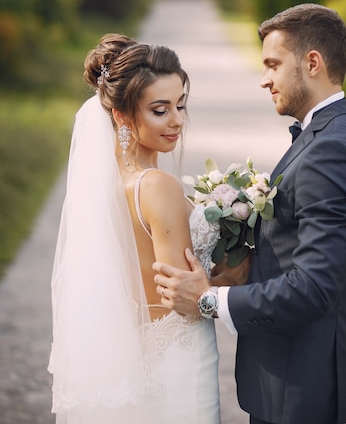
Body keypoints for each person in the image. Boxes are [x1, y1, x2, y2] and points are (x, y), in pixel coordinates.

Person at [153, 3, 346, 424]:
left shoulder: (331, 151)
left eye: (273, 64)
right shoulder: (344, 132)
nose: (264, 79)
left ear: (312, 63)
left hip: (301, 387)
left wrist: (208, 300)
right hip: (304, 379)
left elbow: (315, 285)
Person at [49, 33, 244, 424]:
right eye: (160, 110)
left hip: (136, 356)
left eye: (180, 105)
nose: (177, 120)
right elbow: (183, 300)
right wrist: (238, 275)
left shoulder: (106, 187)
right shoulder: (158, 186)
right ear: (122, 115)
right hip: (179, 358)